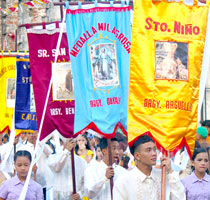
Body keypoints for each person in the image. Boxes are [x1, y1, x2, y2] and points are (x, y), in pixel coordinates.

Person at [113, 135, 186, 200]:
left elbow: (180, 197)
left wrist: (170, 171)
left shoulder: (163, 176)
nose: (154, 153)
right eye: (148, 150)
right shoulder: (124, 181)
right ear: (137, 156)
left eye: (155, 149)